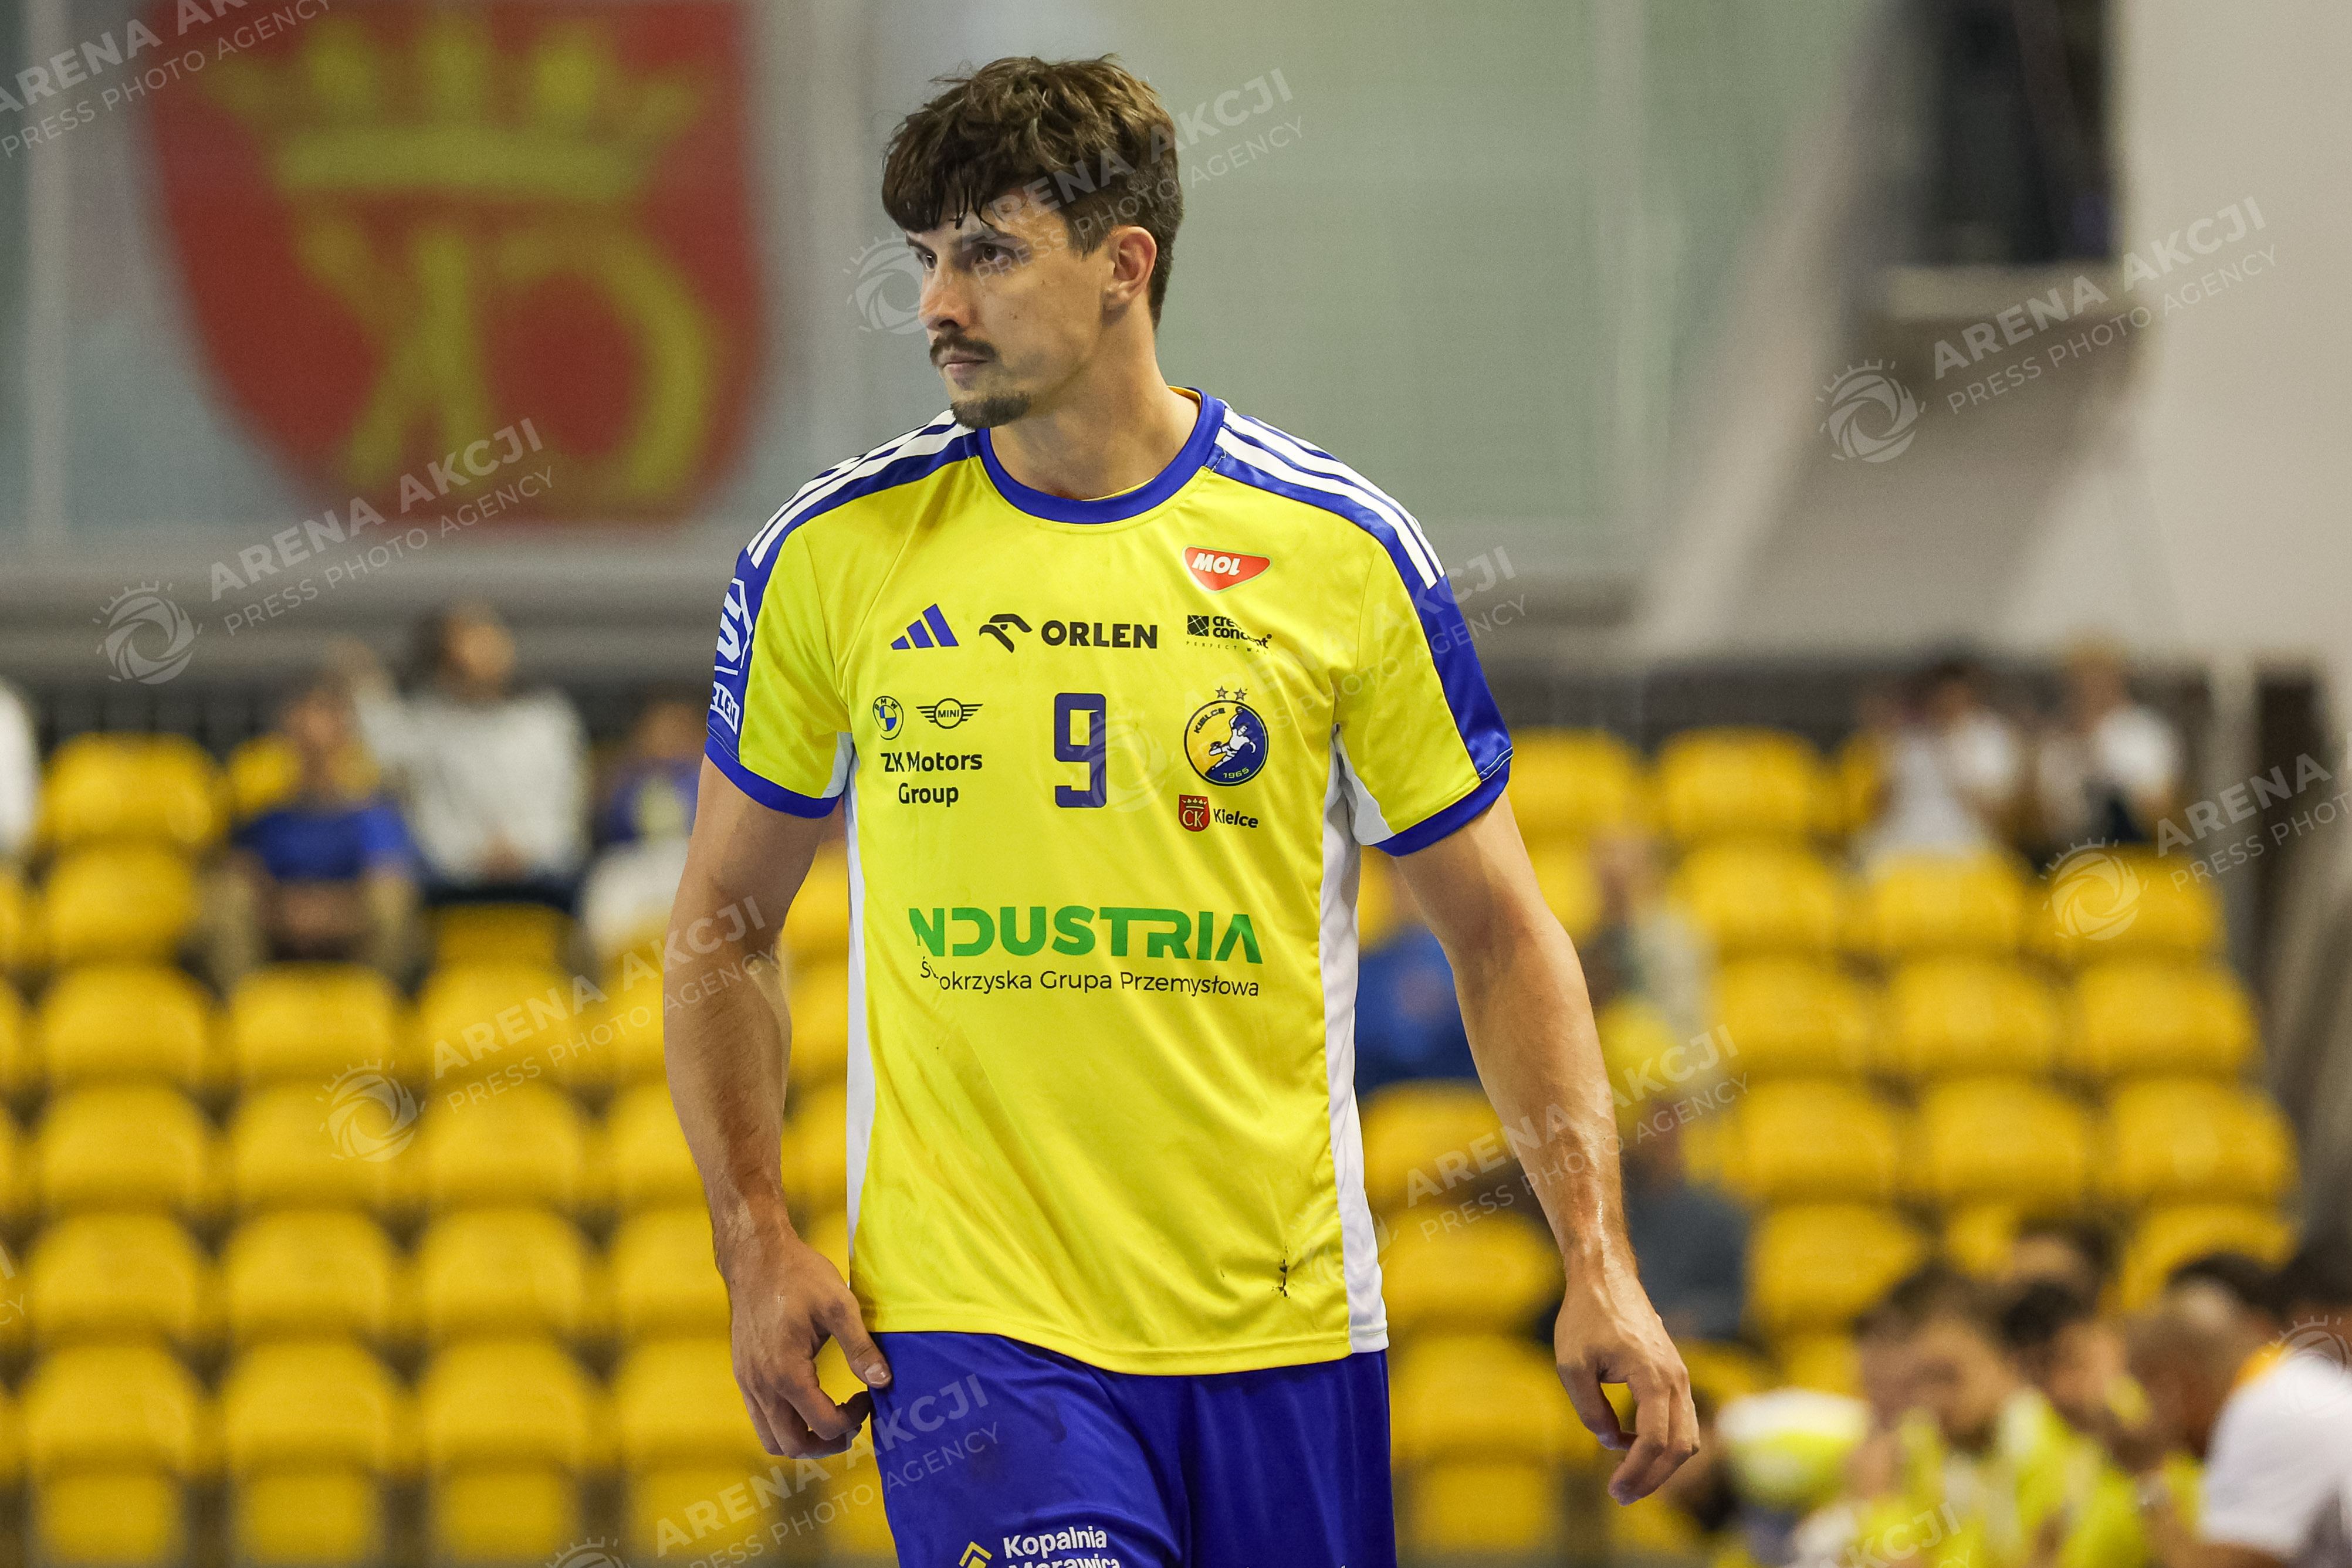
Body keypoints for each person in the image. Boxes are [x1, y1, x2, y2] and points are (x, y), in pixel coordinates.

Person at [662, 54, 1696, 1564]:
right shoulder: (829, 553)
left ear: (1123, 265)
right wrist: (752, 1236)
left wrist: (1597, 1257)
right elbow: (723, 924)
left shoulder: (1338, 550)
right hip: (973, 1328)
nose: (937, 302)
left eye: (987, 252)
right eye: (925, 257)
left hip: (1283, 1328)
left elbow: (1501, 936)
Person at [336, 603, 588, 909]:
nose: (483, 654)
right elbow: (388, 754)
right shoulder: (425, 725)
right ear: (445, 664)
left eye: (490, 641)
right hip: (451, 878)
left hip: (546, 872)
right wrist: (366, 684)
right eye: (468, 645)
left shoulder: (548, 721)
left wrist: (525, 850)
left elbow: (566, 808)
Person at [2110, 1275, 2352, 1568]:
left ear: (2175, 1382)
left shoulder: (2262, 1414)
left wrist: (2148, 1477)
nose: (2148, 1412)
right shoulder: (2289, 1383)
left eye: (2146, 1389)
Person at [209, 682, 419, 983]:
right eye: (304, 741)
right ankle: (243, 1003)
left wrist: (327, 914)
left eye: (324, 743)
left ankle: (379, 1002)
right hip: (277, 940)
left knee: (392, 901)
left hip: (354, 943)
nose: (315, 752)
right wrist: (286, 912)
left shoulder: (373, 818)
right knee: (226, 896)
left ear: (346, 740)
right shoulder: (268, 821)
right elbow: (243, 874)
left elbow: (387, 881)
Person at [1859, 656, 2026, 868]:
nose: (1947, 703)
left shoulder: (1991, 739)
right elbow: (1879, 811)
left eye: (1954, 696)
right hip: (1905, 845)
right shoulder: (1910, 741)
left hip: (1967, 847)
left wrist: (1955, 757)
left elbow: (2001, 815)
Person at [579, 696, 708, 964]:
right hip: (636, 864)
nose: (666, 739)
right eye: (658, 730)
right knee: (605, 888)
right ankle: (610, 979)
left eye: (676, 729)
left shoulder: (708, 779)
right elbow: (609, 828)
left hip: (692, 859)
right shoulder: (624, 781)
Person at [2035, 641, 2182, 854]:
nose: (2088, 686)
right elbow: (2042, 826)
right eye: (2080, 678)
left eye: (2097, 675)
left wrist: (2109, 770)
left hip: (2134, 858)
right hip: (2071, 858)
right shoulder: (2056, 742)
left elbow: (2165, 815)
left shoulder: (2146, 734)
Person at [1622, 1117, 1748, 1344]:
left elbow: (1737, 1303)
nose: (1655, 1140)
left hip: (1697, 1348)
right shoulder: (1617, 1213)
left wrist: (1694, 1320)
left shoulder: (1715, 1218)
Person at [1584, 828, 1713, 1046]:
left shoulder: (1672, 940)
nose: (1610, 869)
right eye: (1603, 858)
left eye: (1623, 864)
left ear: (1650, 873)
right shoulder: (1594, 942)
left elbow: (1684, 1024)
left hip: (1670, 1055)